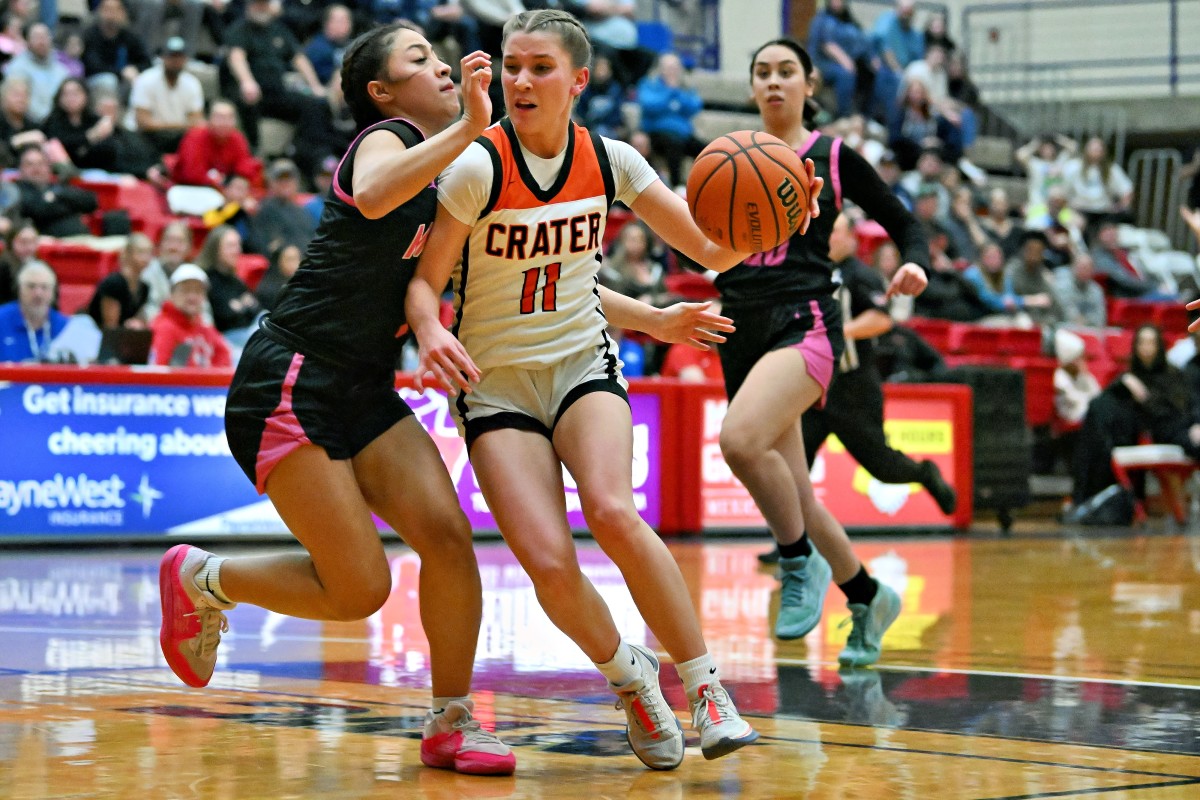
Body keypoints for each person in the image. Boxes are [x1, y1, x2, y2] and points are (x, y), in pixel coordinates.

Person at [405, 10, 808, 769]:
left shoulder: (611, 160)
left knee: (615, 512)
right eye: (511, 65)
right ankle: (632, 678)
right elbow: (426, 288)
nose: (521, 80)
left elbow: (711, 244)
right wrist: (430, 332)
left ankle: (706, 688)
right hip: (497, 390)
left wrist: (783, 214)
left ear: (578, 81)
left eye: (540, 67)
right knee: (550, 564)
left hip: (583, 363)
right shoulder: (476, 169)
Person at [157, 25, 519, 777]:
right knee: (359, 589)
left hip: (365, 385)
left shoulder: (455, 171)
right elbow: (379, 192)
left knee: (450, 540)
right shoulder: (383, 141)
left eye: (437, 53)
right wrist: (468, 127)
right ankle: (203, 578)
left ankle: (451, 720)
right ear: (382, 92)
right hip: (291, 377)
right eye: (418, 59)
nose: (441, 64)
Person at [714, 38, 927, 664]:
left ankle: (795, 562)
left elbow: (903, 220)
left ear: (809, 84)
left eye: (786, 72)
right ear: (752, 87)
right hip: (738, 324)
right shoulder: (728, 156)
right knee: (796, 494)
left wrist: (912, 263)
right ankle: (866, 594)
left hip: (804, 320)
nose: (773, 82)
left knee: (739, 441)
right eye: (762, 72)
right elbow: (696, 247)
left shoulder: (833, 155)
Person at [802, 214, 955, 517]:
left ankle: (924, 473)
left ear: (851, 238)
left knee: (882, 466)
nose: (827, 236)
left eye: (834, 231)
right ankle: (789, 545)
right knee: (794, 464)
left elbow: (881, 319)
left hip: (854, 388)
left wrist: (839, 330)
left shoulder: (860, 275)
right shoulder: (816, 272)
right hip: (815, 387)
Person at [129, 36, 205, 155]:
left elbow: (196, 121)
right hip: (148, 136)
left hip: (178, 136)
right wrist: (179, 126)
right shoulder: (145, 79)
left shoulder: (192, 83)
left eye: (179, 56)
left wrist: (172, 128)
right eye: (172, 56)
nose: (176, 61)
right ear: (163, 57)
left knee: (197, 139)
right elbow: (143, 122)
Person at [148, 263, 231, 367]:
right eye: (186, 290)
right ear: (171, 294)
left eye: (198, 291)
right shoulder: (163, 328)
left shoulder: (204, 328)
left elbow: (224, 358)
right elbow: (158, 373)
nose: (192, 297)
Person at [12, 143, 98, 236]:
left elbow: (91, 201)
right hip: (46, 243)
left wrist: (56, 196)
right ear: (20, 168)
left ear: (49, 167)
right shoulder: (16, 191)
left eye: (41, 163)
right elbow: (38, 210)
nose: (36, 169)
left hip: (82, 239)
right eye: (30, 164)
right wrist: (71, 205)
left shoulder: (57, 187)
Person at [171, 100, 263, 188]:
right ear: (209, 119)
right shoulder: (194, 136)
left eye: (229, 118)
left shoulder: (238, 138)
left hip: (224, 190)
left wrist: (234, 182)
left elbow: (245, 169)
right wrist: (220, 182)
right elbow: (192, 174)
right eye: (219, 117)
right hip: (191, 188)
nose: (224, 123)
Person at [0, 259, 67, 361]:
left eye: (44, 287)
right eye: (31, 286)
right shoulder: (2, 319)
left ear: (53, 292)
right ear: (19, 289)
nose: (38, 294)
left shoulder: (65, 327)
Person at [87, 232, 152, 329]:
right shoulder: (113, 284)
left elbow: (140, 321)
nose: (146, 258)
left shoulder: (144, 287)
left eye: (149, 253)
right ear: (127, 253)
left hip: (123, 337)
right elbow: (110, 327)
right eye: (141, 252)